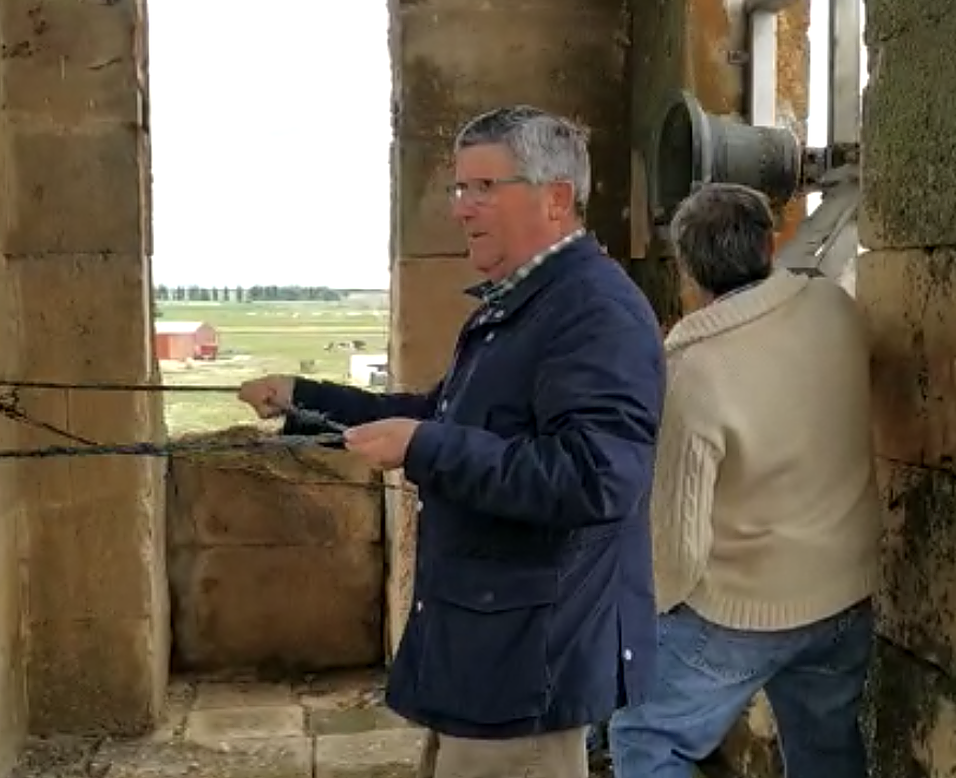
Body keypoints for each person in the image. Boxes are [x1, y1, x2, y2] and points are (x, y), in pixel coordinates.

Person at [238, 105, 666, 778]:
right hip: (489, 654)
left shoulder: (593, 311)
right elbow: (441, 415)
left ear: (556, 199)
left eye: (485, 187)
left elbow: (595, 479)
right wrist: (305, 401)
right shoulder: (525, 302)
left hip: (530, 667)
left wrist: (424, 448)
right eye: (460, 187)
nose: (462, 207)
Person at [608, 183, 881, 778]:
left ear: (686, 270)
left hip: (743, 608)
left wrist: (654, 614)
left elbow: (678, 543)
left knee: (646, 737)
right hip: (843, 590)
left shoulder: (693, 371)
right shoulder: (835, 309)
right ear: (769, 243)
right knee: (826, 752)